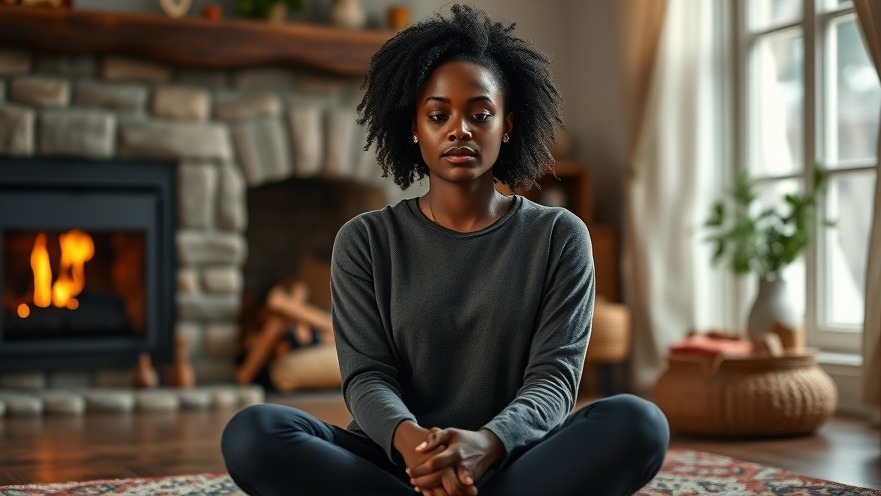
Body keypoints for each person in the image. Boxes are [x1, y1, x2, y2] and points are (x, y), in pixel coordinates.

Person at [221, 5, 669, 495]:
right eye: (439, 115)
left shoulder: (559, 236)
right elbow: (366, 377)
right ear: (415, 128)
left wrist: (487, 444)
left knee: (639, 422)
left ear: (508, 126)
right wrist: (415, 447)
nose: (460, 130)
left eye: (480, 115)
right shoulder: (365, 241)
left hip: (513, 459)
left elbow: (555, 380)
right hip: (396, 463)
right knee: (253, 433)